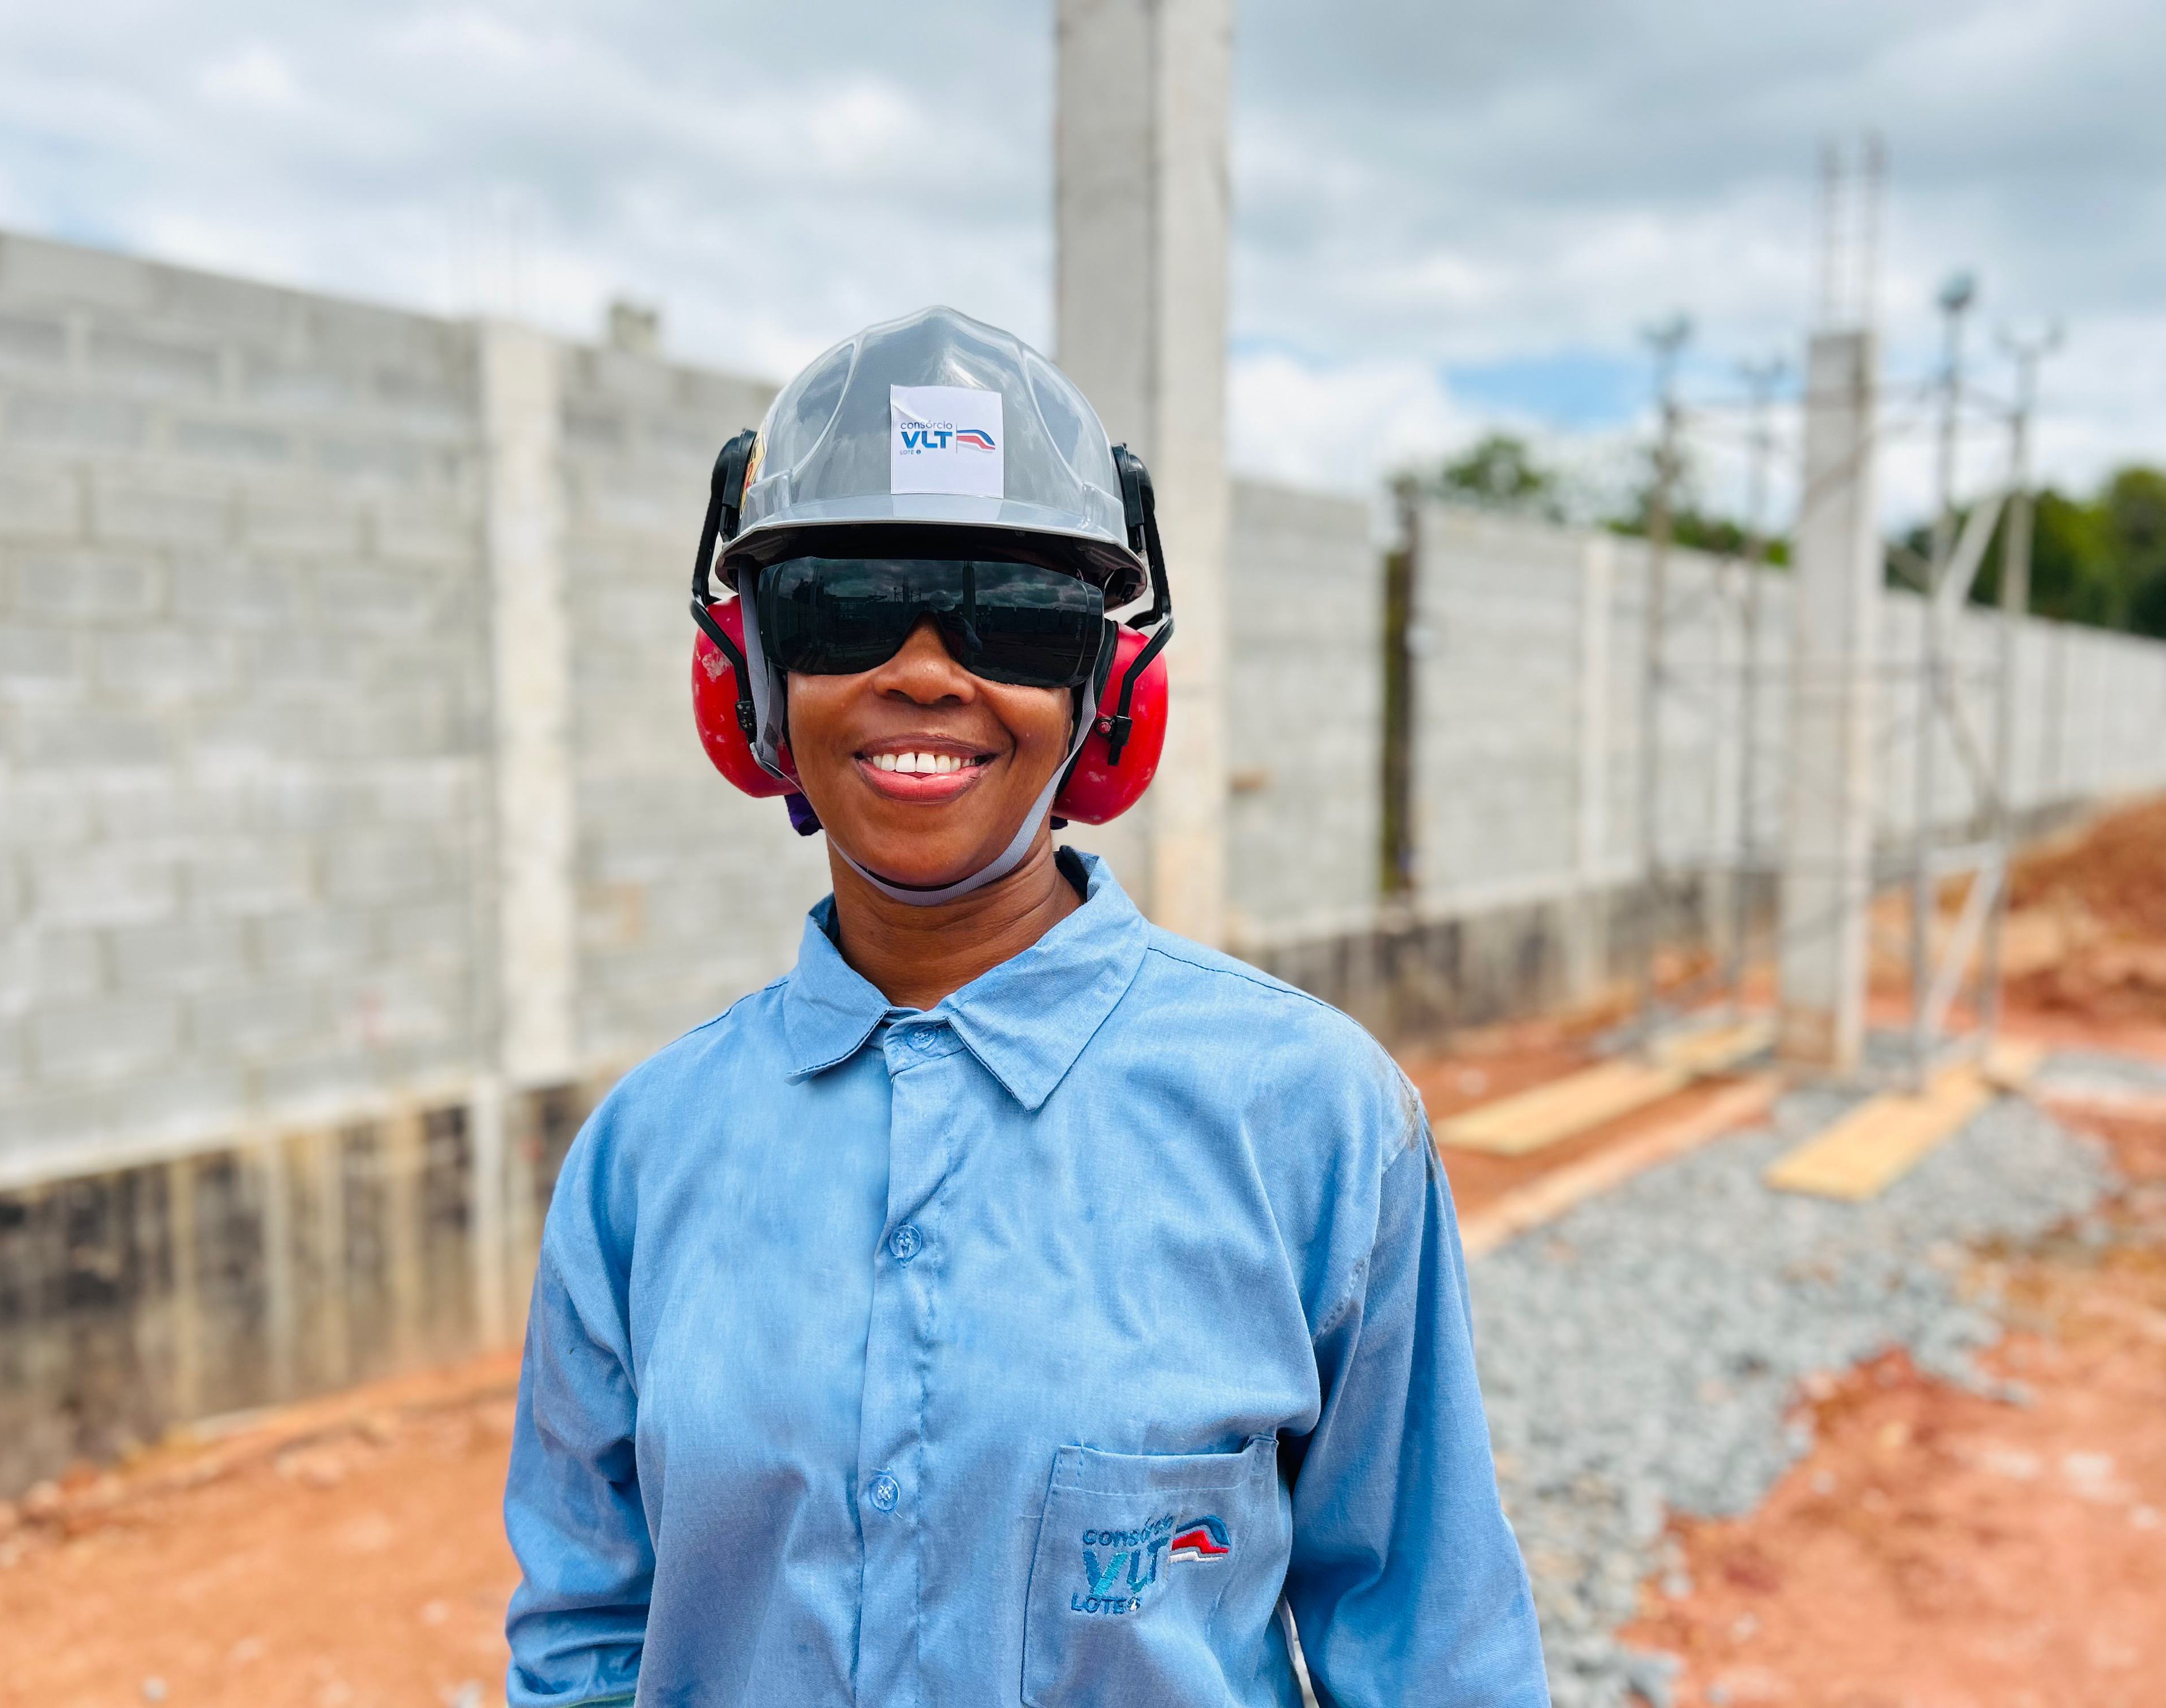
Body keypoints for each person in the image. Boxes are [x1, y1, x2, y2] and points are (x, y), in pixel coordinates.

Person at [502, 306, 1548, 1707]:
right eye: (846, 609)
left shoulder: (1305, 1115)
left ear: (1103, 693)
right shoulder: (644, 1157)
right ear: (747, 677)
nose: (924, 670)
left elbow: (1432, 1650)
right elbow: (584, 1636)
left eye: (1011, 615)